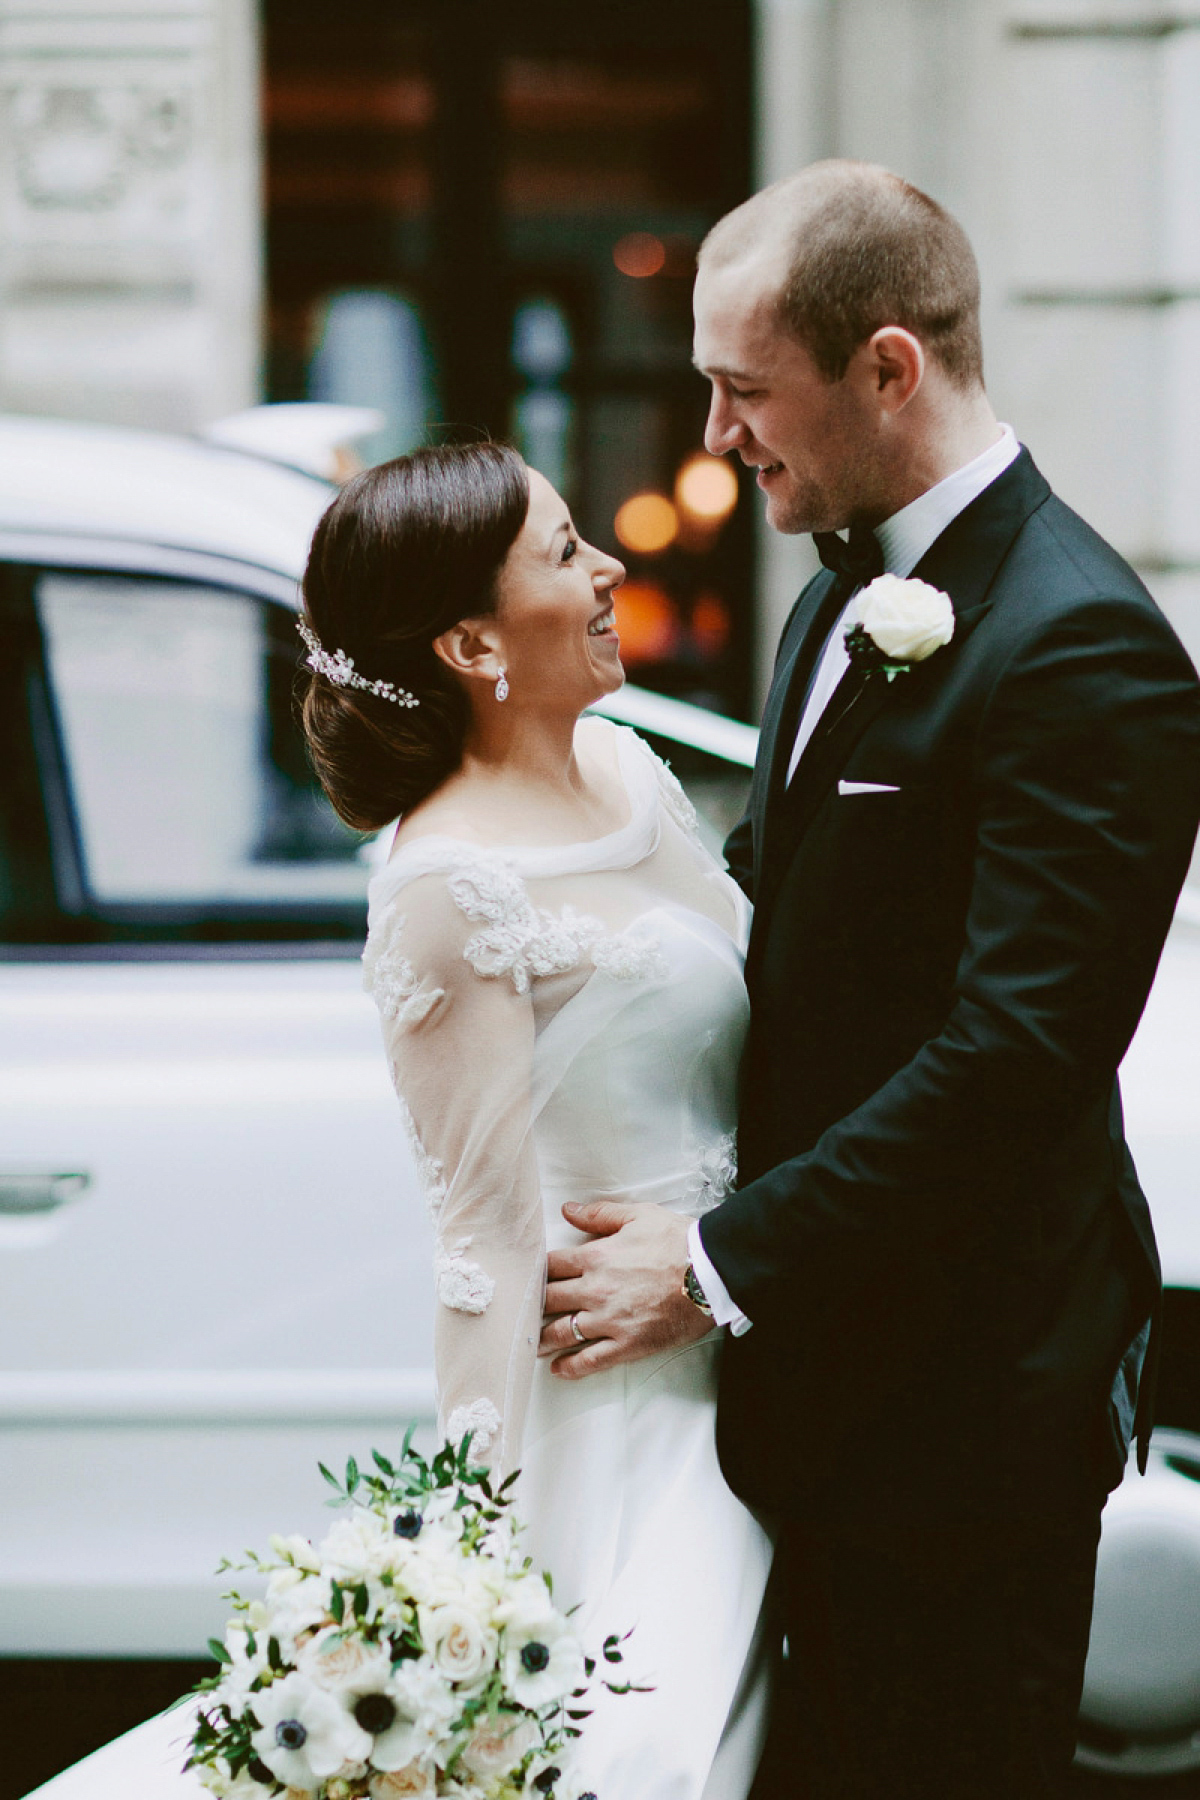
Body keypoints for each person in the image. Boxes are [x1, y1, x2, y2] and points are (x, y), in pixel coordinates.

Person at [537, 161, 1200, 1798]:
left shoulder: (1084, 648)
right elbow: (803, 909)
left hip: (962, 1415)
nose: (711, 438)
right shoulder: (843, 583)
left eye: (744, 390)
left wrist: (714, 1263)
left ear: (888, 369)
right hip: (827, 1396)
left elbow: (1015, 1053)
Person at [26, 442, 773, 1800]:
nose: (611, 570)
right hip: (624, 1409)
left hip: (749, 1337)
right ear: (471, 637)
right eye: (565, 552)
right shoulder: (444, 880)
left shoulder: (632, 767)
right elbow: (479, 1237)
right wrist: (468, 1561)